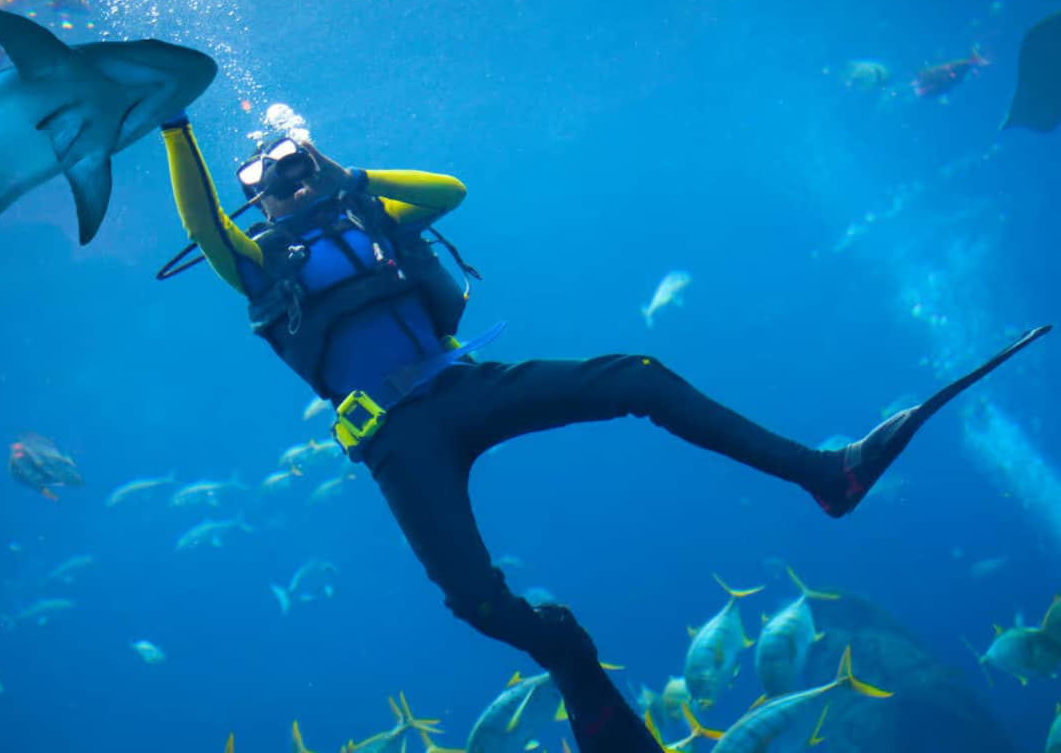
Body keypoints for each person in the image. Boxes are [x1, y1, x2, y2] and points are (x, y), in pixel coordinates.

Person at [157, 113, 1049, 753]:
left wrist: (343, 172)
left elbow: (449, 191)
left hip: (463, 387)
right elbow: (200, 219)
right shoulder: (257, 265)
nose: (286, 186)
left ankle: (828, 474)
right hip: (398, 442)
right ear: (254, 205)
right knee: (476, 603)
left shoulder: (373, 217)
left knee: (637, 377)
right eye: (267, 183)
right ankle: (569, 657)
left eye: (292, 168)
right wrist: (173, 122)